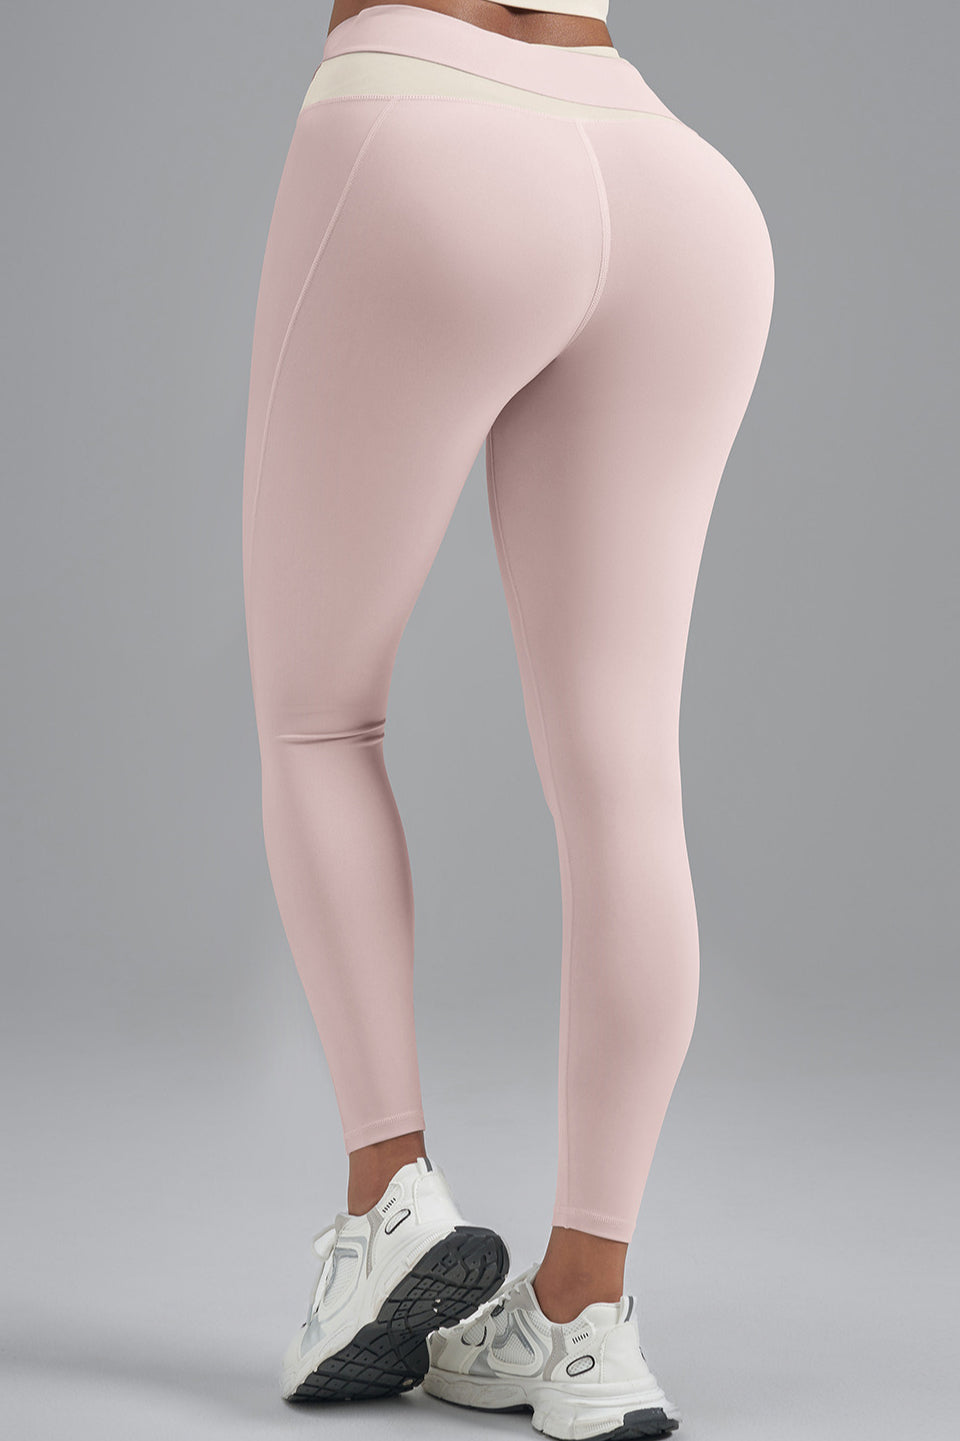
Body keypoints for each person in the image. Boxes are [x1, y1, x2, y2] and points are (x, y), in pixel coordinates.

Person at [241, 2, 775, 1435]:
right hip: (671, 181)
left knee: (317, 722)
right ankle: (585, 1317)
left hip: (424, 122)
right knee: (626, 781)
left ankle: (388, 1203)